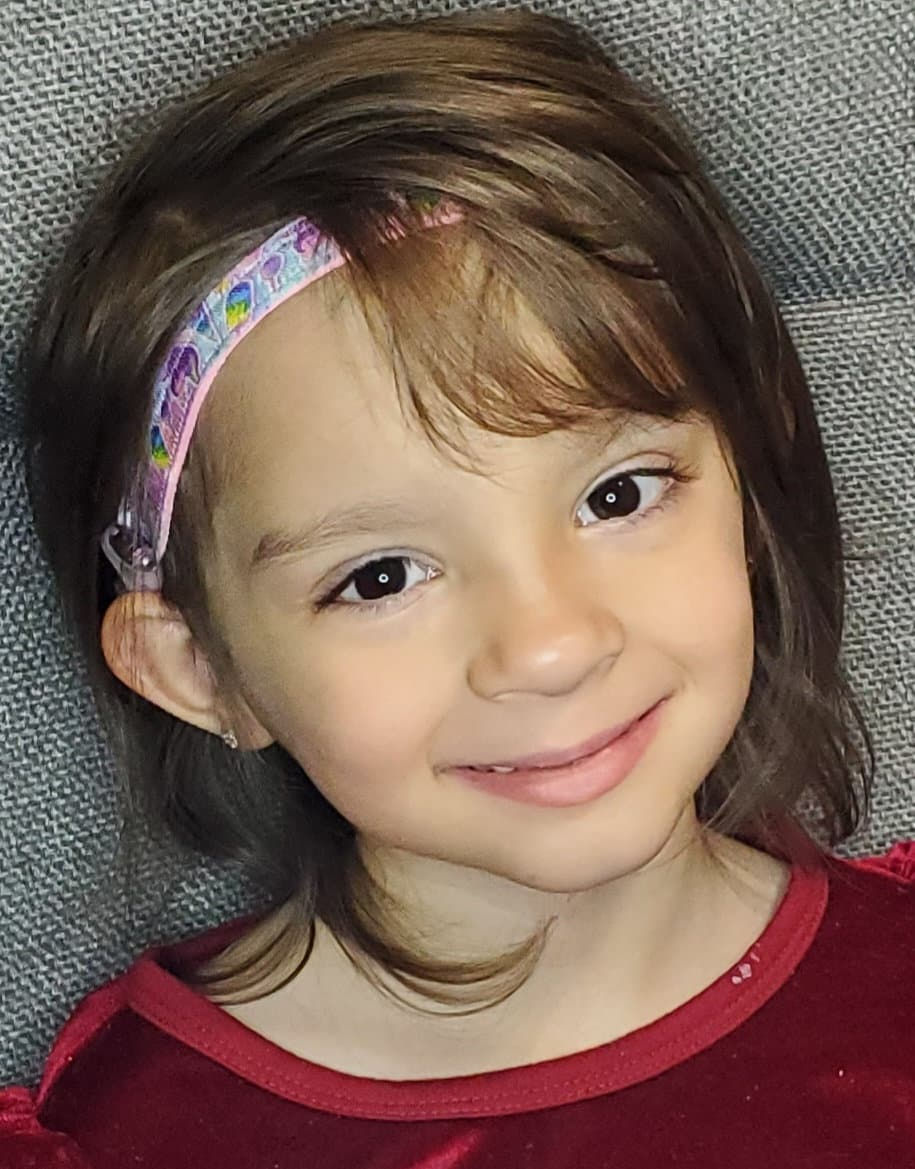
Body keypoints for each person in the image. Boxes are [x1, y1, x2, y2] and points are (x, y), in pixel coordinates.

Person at [1, 9, 912, 1166]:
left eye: (621, 495)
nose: (550, 642)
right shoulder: (132, 1134)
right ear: (202, 669)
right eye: (381, 575)